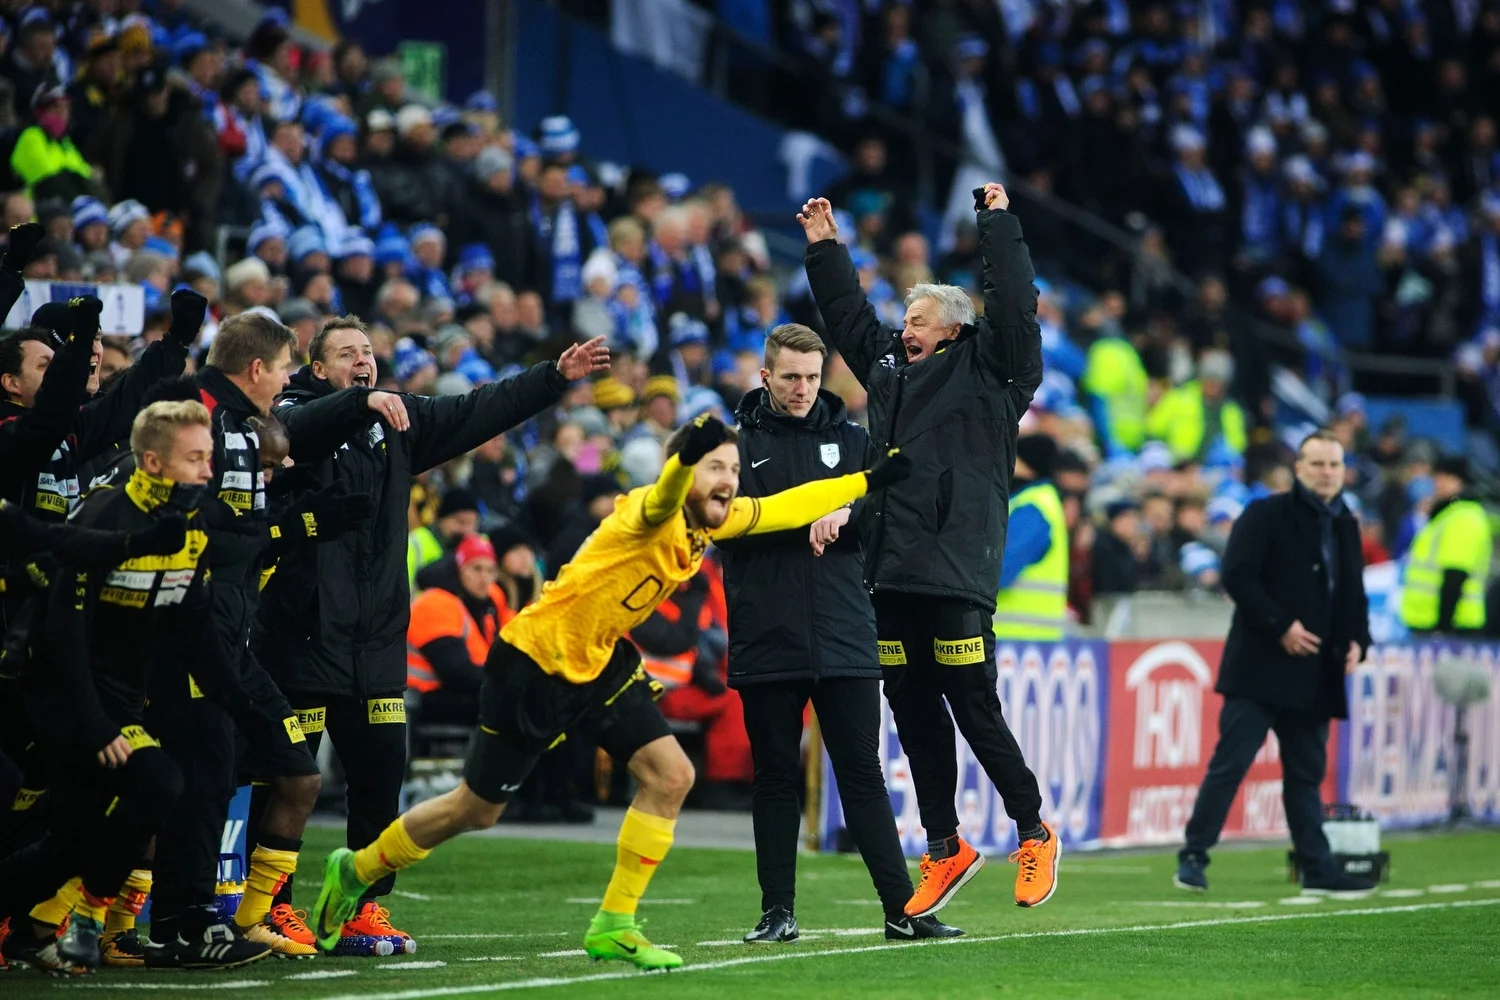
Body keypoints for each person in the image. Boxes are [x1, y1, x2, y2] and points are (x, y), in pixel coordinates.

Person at [308, 414, 912, 970]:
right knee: (476, 809)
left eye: (733, 468)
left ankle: (614, 923)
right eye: (716, 467)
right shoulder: (649, 509)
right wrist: (682, 463)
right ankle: (354, 868)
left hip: (599, 661)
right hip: (536, 660)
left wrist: (867, 479)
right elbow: (667, 493)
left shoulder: (718, 519)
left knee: (670, 775)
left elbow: (788, 506)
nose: (729, 480)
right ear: (687, 471)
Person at [253, 317, 609, 951]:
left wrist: (554, 377)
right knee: (290, 778)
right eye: (346, 355)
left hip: (379, 640)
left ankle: (360, 906)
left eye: (367, 353)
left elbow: (478, 409)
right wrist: (362, 400)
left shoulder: (394, 423)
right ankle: (268, 906)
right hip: (305, 635)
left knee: (380, 775)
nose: (362, 361)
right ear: (316, 369)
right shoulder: (291, 413)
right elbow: (296, 433)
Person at [798, 184, 1057, 916]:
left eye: (916, 320)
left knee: (972, 705)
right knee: (910, 710)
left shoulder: (996, 370)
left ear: (951, 328)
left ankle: (1033, 830)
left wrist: (997, 222)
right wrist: (824, 247)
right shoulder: (888, 370)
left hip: (953, 574)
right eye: (904, 319)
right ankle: (945, 848)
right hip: (890, 571)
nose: (901, 329)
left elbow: (1014, 302)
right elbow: (848, 316)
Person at [1, 401, 284, 972]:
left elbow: (198, 634)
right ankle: (86, 919)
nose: (210, 471)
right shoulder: (106, 514)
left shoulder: (190, 527)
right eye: (196, 458)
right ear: (153, 462)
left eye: (210, 457)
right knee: (157, 784)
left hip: (119, 700)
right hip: (59, 695)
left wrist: (247, 708)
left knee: (74, 840)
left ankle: (30, 931)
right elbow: (64, 638)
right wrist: (97, 722)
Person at [718, 323, 956, 944]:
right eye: (790, 377)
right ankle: (778, 913)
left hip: (847, 631)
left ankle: (903, 910)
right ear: (765, 376)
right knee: (775, 775)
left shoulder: (856, 442)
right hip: (766, 634)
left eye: (812, 377)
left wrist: (850, 511)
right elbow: (722, 523)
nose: (802, 389)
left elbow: (896, 511)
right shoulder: (735, 449)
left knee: (861, 772)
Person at [1176, 430, 1375, 896]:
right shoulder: (1265, 514)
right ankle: (1193, 855)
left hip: (1315, 671)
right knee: (1231, 764)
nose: (1327, 473)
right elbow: (1237, 578)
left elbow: (1352, 592)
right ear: (1298, 469)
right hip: (1259, 668)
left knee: (1306, 775)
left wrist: (1357, 641)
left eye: (1334, 465)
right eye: (1318, 464)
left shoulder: (1346, 523)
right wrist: (1280, 625)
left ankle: (1317, 868)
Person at [406, 533, 512, 724]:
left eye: (490, 571)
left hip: (447, 694)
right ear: (459, 569)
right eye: (476, 569)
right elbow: (458, 673)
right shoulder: (436, 602)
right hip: (421, 700)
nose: (484, 578)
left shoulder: (484, 607)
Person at [1400, 456, 1492, 634]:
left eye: (1443, 477)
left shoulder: (1464, 518)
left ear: (1458, 481)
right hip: (1429, 622)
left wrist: (1443, 627)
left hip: (1452, 626)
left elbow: (1455, 574)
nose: (1436, 483)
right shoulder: (1448, 515)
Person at [994, 435, 1069, 641]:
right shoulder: (1041, 501)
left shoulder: (1032, 508)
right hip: (1030, 640)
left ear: (1028, 465)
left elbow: (999, 569)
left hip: (1014, 641)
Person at [1144, 351, 1247, 463]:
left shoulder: (1231, 411)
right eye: (1210, 378)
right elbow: (1153, 430)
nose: (1213, 385)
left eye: (1219, 380)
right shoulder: (1179, 398)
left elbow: (1238, 445)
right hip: (1176, 466)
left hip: (1214, 470)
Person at [407, 488, 480, 591]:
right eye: (460, 522)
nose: (467, 530)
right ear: (441, 519)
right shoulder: (414, 544)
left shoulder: (480, 545)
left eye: (472, 523)